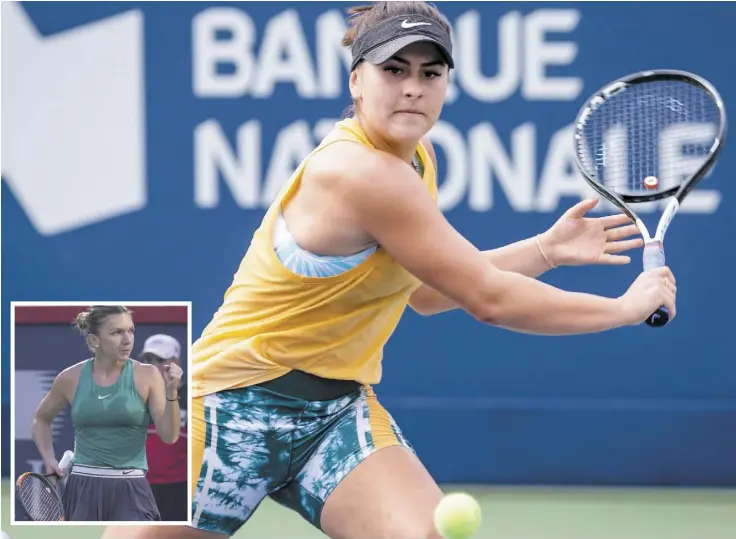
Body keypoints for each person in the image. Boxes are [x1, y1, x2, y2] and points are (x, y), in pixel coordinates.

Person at [100, 1, 675, 538]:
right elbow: (489, 299)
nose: (412, 88)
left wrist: (546, 249)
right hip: (227, 406)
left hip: (333, 417)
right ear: (356, 81)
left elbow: (422, 291)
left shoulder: (416, 158)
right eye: (393, 70)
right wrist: (624, 309)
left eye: (430, 74)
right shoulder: (362, 173)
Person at [31, 305, 183, 521]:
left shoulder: (147, 375)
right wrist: (49, 458)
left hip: (131, 487)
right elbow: (41, 419)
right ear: (94, 340)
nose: (127, 339)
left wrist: (171, 393)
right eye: (116, 333)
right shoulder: (70, 377)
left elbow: (169, 436)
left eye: (130, 331)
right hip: (82, 486)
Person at [141, 334, 189, 522]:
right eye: (148, 360)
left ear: (176, 363)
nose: (153, 366)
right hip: (141, 488)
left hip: (179, 491)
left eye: (160, 360)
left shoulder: (194, 397)